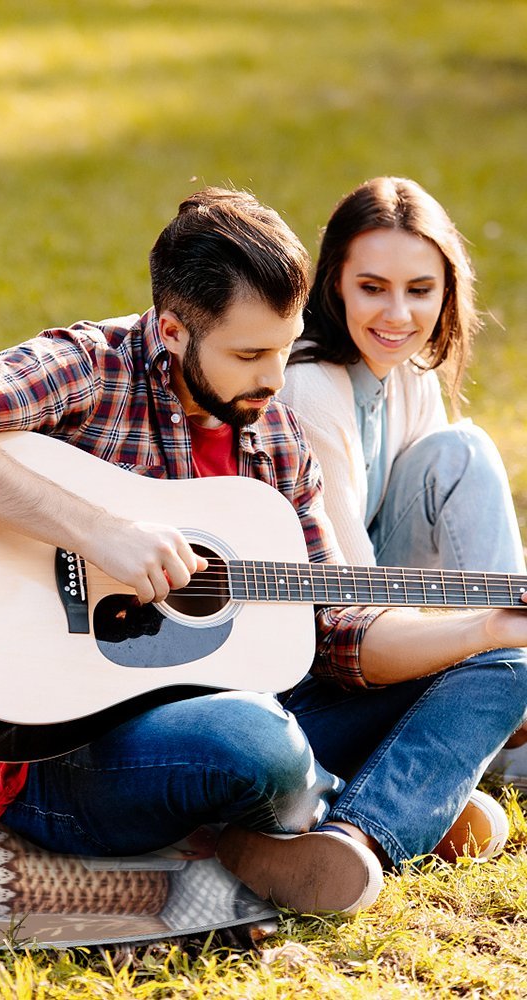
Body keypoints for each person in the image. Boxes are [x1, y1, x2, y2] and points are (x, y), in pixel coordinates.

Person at [0, 188, 527, 916]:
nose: (275, 380)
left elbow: (337, 629)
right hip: (66, 756)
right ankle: (382, 796)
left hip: (253, 709)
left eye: (284, 346)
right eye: (249, 354)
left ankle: (356, 836)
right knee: (255, 742)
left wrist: (483, 628)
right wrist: (95, 530)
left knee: (507, 664)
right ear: (173, 331)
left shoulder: (274, 435)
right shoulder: (91, 367)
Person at [280, 176, 527, 790]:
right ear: (334, 281)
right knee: (464, 451)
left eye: (420, 290)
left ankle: (506, 694)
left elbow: (448, 537)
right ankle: (504, 715)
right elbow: (351, 602)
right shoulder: (310, 385)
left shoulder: (409, 370)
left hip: (387, 609)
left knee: (458, 451)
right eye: (372, 288)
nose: (398, 315)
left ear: (447, 292)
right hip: (323, 646)